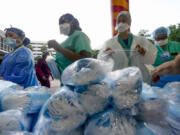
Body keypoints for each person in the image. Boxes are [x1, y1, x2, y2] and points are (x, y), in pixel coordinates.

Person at [98, 11, 157, 83]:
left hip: (139, 78)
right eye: (119, 21)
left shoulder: (141, 41)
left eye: (123, 21)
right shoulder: (109, 43)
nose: (121, 23)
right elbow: (101, 61)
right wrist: (106, 54)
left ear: (129, 23)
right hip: (119, 79)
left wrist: (144, 52)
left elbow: (152, 59)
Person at [47, 13, 92, 84]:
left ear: (73, 22)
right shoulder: (65, 42)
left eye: (63, 22)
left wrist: (59, 48)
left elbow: (85, 60)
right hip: (66, 85)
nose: (61, 26)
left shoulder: (79, 35)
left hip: (78, 85)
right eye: (59, 24)